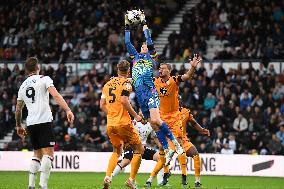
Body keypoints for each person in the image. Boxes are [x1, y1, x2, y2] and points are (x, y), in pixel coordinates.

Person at [125, 11, 183, 165]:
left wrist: (144, 23)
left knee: (156, 119)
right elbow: (127, 43)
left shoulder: (152, 57)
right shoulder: (135, 57)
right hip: (140, 96)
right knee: (154, 125)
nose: (144, 46)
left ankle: (175, 145)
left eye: (145, 45)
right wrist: (126, 27)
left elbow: (149, 40)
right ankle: (167, 148)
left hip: (151, 93)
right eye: (142, 45)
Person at [15, 57, 74, 189]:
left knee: (37, 154)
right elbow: (56, 95)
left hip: (30, 123)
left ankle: (31, 185)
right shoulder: (44, 79)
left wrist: (18, 125)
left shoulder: (23, 85)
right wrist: (67, 109)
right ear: (38, 68)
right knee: (48, 153)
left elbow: (18, 108)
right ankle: (43, 184)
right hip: (44, 120)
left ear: (26, 70)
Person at [147, 55, 201, 186]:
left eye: (163, 68)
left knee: (178, 145)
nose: (160, 70)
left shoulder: (174, 80)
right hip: (161, 119)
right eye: (159, 68)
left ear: (169, 71)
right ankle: (162, 174)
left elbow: (187, 77)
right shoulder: (155, 81)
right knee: (162, 148)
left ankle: (182, 176)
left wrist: (192, 67)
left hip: (175, 119)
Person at [100, 60, 144, 189]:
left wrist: (112, 114)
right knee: (139, 149)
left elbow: (101, 105)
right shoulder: (127, 83)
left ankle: (108, 176)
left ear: (117, 70)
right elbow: (124, 100)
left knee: (116, 151)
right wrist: (136, 116)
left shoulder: (107, 84)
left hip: (111, 124)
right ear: (128, 70)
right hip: (123, 123)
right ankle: (131, 179)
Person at [111, 116, 165, 185]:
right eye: (140, 111)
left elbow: (154, 137)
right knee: (125, 162)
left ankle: (159, 181)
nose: (140, 113)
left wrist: (160, 146)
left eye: (142, 111)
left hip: (143, 148)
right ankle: (110, 177)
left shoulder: (150, 124)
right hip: (132, 146)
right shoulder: (134, 122)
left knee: (161, 158)